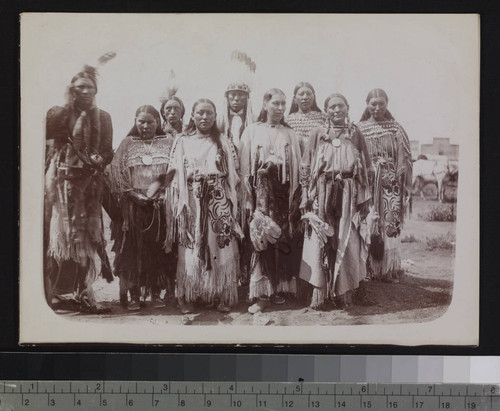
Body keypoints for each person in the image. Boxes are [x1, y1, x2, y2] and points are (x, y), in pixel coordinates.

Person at [44, 64, 114, 313]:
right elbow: (48, 146)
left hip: (90, 186)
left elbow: (107, 150)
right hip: (62, 185)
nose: (85, 91)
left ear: (96, 90)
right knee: (59, 238)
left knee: (87, 239)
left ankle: (83, 293)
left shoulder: (103, 117)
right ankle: (50, 293)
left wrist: (99, 160)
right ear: (72, 89)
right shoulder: (59, 115)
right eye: (80, 87)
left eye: (89, 87)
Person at [168, 98, 242, 314]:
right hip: (191, 199)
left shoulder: (223, 141)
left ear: (215, 116)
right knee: (191, 245)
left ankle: (223, 294)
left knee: (220, 244)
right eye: (200, 112)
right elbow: (173, 173)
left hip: (218, 199)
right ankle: (190, 296)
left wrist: (228, 199)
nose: (204, 117)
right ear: (192, 115)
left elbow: (233, 174)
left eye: (209, 113)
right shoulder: (182, 141)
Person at [299, 93, 372, 309]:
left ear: (348, 107)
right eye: (332, 107)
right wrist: (305, 194)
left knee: (347, 240)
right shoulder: (317, 133)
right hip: (322, 190)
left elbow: (366, 167)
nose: (337, 110)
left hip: (349, 192)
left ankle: (345, 292)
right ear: (326, 110)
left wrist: (364, 199)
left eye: (341, 106)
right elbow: (305, 166)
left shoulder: (356, 133)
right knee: (321, 238)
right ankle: (320, 294)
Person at [238, 88, 302, 313]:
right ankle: (261, 293)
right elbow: (245, 169)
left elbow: (296, 168)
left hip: (283, 194)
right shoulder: (251, 131)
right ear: (265, 104)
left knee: (282, 239)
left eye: (284, 104)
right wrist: (248, 199)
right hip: (260, 195)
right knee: (261, 239)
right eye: (275, 103)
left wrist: (295, 196)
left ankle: (279, 288)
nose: (280, 108)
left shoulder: (289, 133)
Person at [108, 105, 176, 310]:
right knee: (132, 251)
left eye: (150, 122)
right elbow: (115, 172)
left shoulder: (169, 142)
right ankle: (135, 295)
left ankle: (156, 293)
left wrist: (164, 193)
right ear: (135, 122)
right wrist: (131, 193)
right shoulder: (127, 143)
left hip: (160, 205)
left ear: (158, 123)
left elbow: (175, 170)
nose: (146, 126)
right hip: (133, 208)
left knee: (157, 250)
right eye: (141, 122)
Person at [357, 88, 412, 282]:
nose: (377, 107)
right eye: (373, 103)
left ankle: (388, 268)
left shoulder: (395, 128)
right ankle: (367, 267)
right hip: (368, 183)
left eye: (381, 103)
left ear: (387, 104)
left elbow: (404, 158)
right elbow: (355, 156)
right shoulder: (360, 128)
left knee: (390, 223)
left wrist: (399, 178)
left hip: (391, 185)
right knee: (369, 222)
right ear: (367, 104)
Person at [285, 82, 325, 153]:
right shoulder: (287, 121)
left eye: (309, 94)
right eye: (301, 94)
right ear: (294, 98)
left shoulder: (324, 119)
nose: (305, 97)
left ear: (314, 97)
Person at [218, 82, 254, 146]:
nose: (236, 98)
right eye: (233, 94)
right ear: (227, 97)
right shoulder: (219, 120)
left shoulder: (254, 120)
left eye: (240, 94)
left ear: (246, 98)